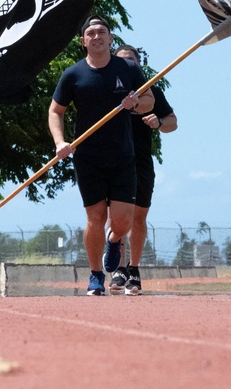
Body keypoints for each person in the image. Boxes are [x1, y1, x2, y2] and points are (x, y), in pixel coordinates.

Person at [48, 16, 153, 296]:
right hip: (88, 157)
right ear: (83, 41)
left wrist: (135, 103)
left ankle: (114, 239)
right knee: (94, 217)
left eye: (102, 32)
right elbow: (55, 111)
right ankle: (95, 276)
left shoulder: (127, 68)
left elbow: (149, 101)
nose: (96, 36)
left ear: (110, 38)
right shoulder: (73, 74)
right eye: (90, 33)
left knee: (122, 222)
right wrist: (60, 142)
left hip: (122, 156)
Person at [110, 45, 178, 296]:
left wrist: (158, 122)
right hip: (113, 161)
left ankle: (134, 269)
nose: (128, 66)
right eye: (122, 62)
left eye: (132, 62)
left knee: (138, 217)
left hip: (141, 162)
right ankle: (118, 269)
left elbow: (173, 122)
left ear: (139, 65)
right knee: (117, 218)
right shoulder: (107, 91)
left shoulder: (151, 92)